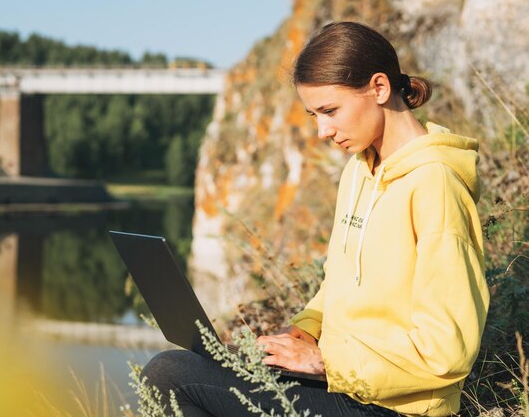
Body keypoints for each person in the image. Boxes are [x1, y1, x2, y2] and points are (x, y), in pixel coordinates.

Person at [141, 21, 490, 416]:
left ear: (379, 88)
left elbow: (447, 351)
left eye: (330, 111)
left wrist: (323, 363)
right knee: (194, 366)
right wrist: (301, 332)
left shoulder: (435, 184)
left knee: (170, 374)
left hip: (393, 406)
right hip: (341, 384)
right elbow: (340, 281)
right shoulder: (360, 170)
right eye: (313, 115)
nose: (323, 130)